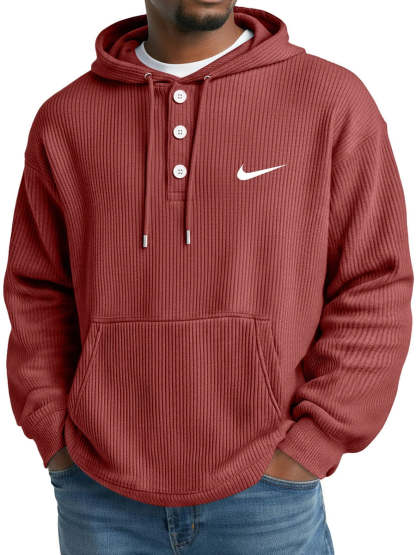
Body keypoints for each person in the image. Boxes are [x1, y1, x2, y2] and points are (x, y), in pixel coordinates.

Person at [3, 1, 413, 553]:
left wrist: (313, 444)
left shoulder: (330, 100)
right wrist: (53, 434)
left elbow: (374, 281)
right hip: (99, 493)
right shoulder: (67, 118)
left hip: (268, 493)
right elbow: (38, 290)